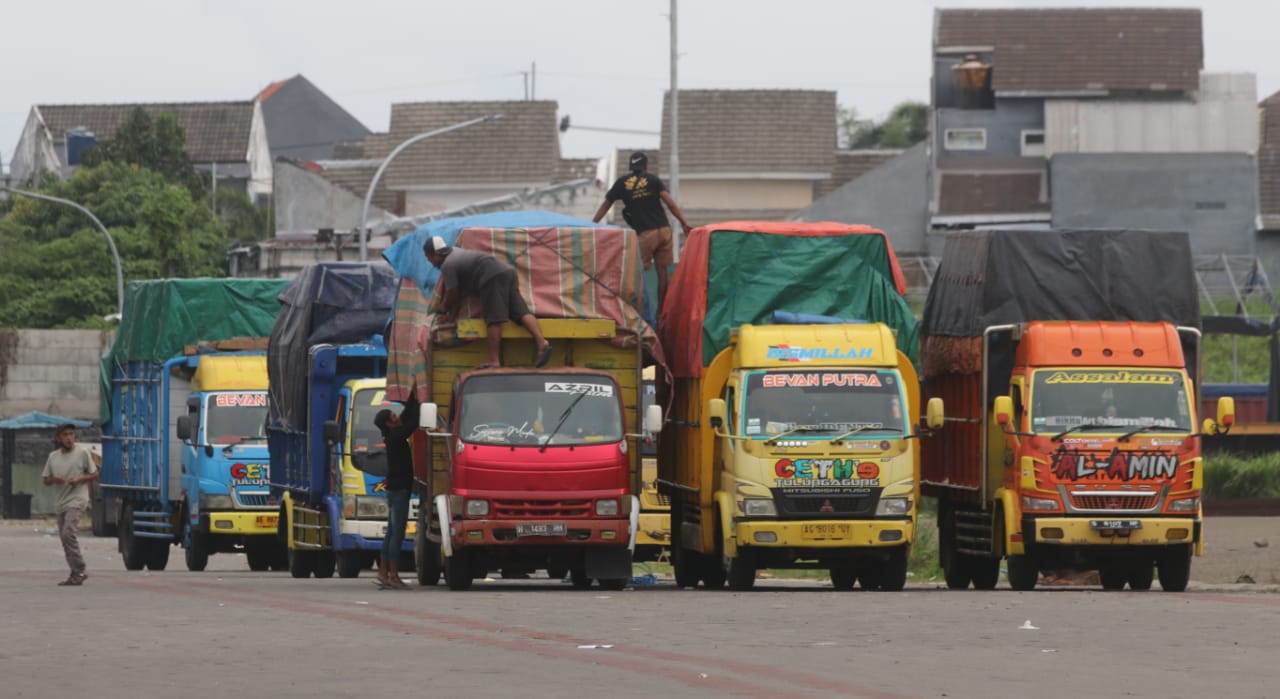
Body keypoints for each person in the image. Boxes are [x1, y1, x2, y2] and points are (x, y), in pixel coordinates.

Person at [423, 236, 553, 369]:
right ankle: (542, 343)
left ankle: (494, 360)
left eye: (429, 258)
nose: (432, 263)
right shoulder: (456, 252)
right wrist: (450, 318)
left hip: (491, 276)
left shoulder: (448, 265)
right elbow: (459, 294)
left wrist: (444, 306)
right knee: (520, 312)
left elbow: (452, 292)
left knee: (493, 319)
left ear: (436, 254)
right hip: (506, 272)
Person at [592, 151, 691, 311]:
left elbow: (606, 205)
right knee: (662, 272)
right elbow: (670, 204)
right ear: (646, 166)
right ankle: (661, 312)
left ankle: (639, 311)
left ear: (632, 167)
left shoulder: (622, 183)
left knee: (638, 271)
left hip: (646, 234)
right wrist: (684, 223)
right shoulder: (653, 180)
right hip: (664, 231)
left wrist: (593, 225)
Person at [41, 423, 98, 586]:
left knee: (68, 533)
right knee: (64, 539)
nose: (69, 438)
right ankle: (75, 574)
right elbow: (46, 480)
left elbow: (94, 474)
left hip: (78, 499)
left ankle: (80, 569)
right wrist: (54, 480)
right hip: (61, 502)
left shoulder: (82, 453)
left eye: (71, 434)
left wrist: (79, 479)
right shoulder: (53, 457)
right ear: (58, 438)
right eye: (65, 435)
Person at [372, 394, 420, 590]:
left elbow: (407, 415)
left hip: (396, 489)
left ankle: (383, 572)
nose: (397, 417)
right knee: (397, 533)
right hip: (399, 490)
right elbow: (414, 421)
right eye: (393, 417)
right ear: (388, 424)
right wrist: (418, 403)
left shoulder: (393, 435)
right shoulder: (397, 437)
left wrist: (410, 399)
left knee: (391, 532)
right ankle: (393, 575)